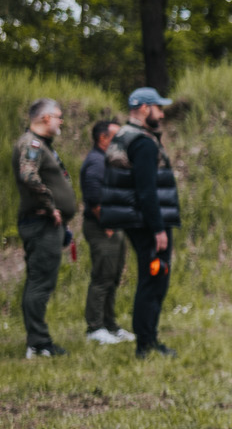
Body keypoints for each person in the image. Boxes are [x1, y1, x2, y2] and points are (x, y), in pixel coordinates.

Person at [96, 87, 181, 358]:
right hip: (147, 222)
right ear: (144, 108)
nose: (162, 113)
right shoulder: (143, 142)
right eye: (158, 108)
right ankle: (146, 343)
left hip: (134, 220)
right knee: (154, 279)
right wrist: (158, 229)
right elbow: (146, 190)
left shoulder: (122, 136)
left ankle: (147, 339)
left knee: (150, 277)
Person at [13, 99, 78, 358]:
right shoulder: (33, 143)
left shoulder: (42, 145)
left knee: (40, 281)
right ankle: (38, 344)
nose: (61, 121)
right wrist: (50, 206)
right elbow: (28, 176)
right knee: (40, 281)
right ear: (44, 118)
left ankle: (37, 340)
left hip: (45, 224)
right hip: (41, 223)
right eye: (58, 116)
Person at [79, 118, 133, 344]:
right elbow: (94, 199)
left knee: (113, 278)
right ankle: (95, 328)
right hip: (103, 228)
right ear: (103, 138)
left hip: (114, 227)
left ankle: (110, 325)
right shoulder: (96, 162)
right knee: (102, 277)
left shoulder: (106, 160)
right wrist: (108, 224)